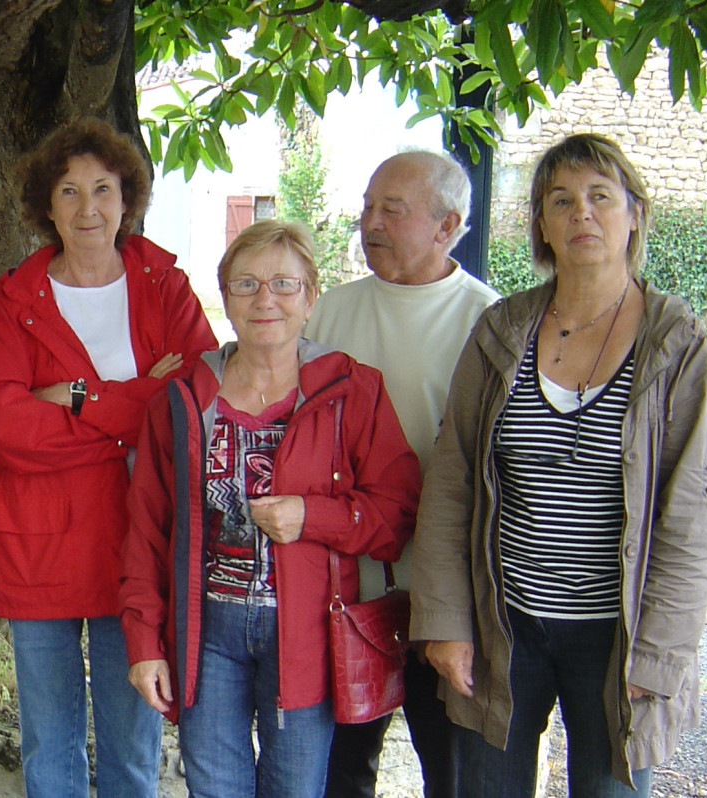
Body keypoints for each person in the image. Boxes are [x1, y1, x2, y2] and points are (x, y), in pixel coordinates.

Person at [410, 133, 707, 798]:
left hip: (617, 635)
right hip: (505, 624)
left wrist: (658, 655)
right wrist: (445, 622)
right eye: (562, 199)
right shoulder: (500, 331)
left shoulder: (675, 342)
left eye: (601, 197)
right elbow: (452, 481)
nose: (583, 212)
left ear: (634, 214)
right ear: (543, 226)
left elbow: (688, 515)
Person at [120, 219, 421, 797]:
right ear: (225, 298)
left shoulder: (351, 391)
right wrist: (144, 644)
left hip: (307, 632)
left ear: (311, 297)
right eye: (246, 284)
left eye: (284, 284)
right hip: (205, 632)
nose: (266, 300)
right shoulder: (186, 398)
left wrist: (312, 517)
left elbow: (397, 510)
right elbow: (146, 533)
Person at [0, 118, 218, 798]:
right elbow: (4, 429)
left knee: (132, 745)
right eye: (70, 191)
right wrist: (137, 404)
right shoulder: (13, 299)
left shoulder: (164, 285)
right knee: (49, 747)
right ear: (46, 206)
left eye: (104, 189)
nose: (89, 209)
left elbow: (195, 402)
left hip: (138, 547)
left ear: (127, 198)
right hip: (40, 546)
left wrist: (73, 398)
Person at [305, 151, 500, 798]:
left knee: (449, 769)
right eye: (366, 206)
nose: (370, 222)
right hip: (344, 592)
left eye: (392, 208)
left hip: (444, 598)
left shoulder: (490, 322)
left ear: (447, 226)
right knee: (341, 770)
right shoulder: (327, 313)